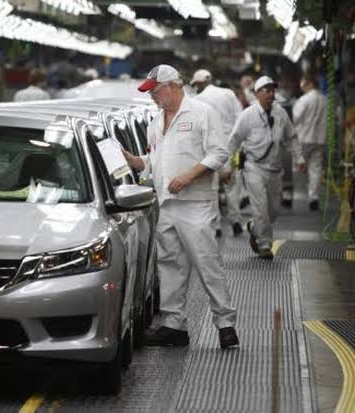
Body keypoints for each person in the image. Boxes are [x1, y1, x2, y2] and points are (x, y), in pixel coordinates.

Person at [123, 64, 239, 349]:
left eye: (155, 91)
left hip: (195, 204)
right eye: (150, 92)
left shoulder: (202, 113)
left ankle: (225, 324)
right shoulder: (155, 122)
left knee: (206, 263)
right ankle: (174, 326)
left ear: (173, 86)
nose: (152, 97)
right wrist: (134, 161)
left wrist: (189, 176)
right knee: (170, 266)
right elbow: (155, 162)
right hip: (167, 204)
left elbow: (219, 153)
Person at [225, 76, 306, 259]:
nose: (271, 94)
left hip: (275, 169)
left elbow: (291, 137)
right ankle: (264, 245)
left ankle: (254, 227)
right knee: (260, 208)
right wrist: (227, 167)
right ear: (257, 94)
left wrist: (299, 158)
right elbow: (233, 141)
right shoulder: (248, 115)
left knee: (273, 211)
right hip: (254, 167)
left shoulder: (280, 113)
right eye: (267, 91)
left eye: (272, 91)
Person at [191, 69, 244, 236]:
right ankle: (236, 221)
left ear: (200, 83)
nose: (195, 89)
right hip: (231, 147)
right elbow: (240, 118)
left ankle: (217, 225)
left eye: (196, 85)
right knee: (232, 185)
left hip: (210, 149)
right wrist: (238, 145)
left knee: (212, 188)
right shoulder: (229, 93)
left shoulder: (197, 100)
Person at [292, 74, 327, 211]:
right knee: (315, 168)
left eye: (303, 83)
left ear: (310, 83)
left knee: (296, 167)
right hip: (320, 139)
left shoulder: (304, 99)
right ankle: (314, 197)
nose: (301, 86)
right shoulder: (325, 99)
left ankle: (289, 194)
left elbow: (295, 118)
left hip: (303, 138)